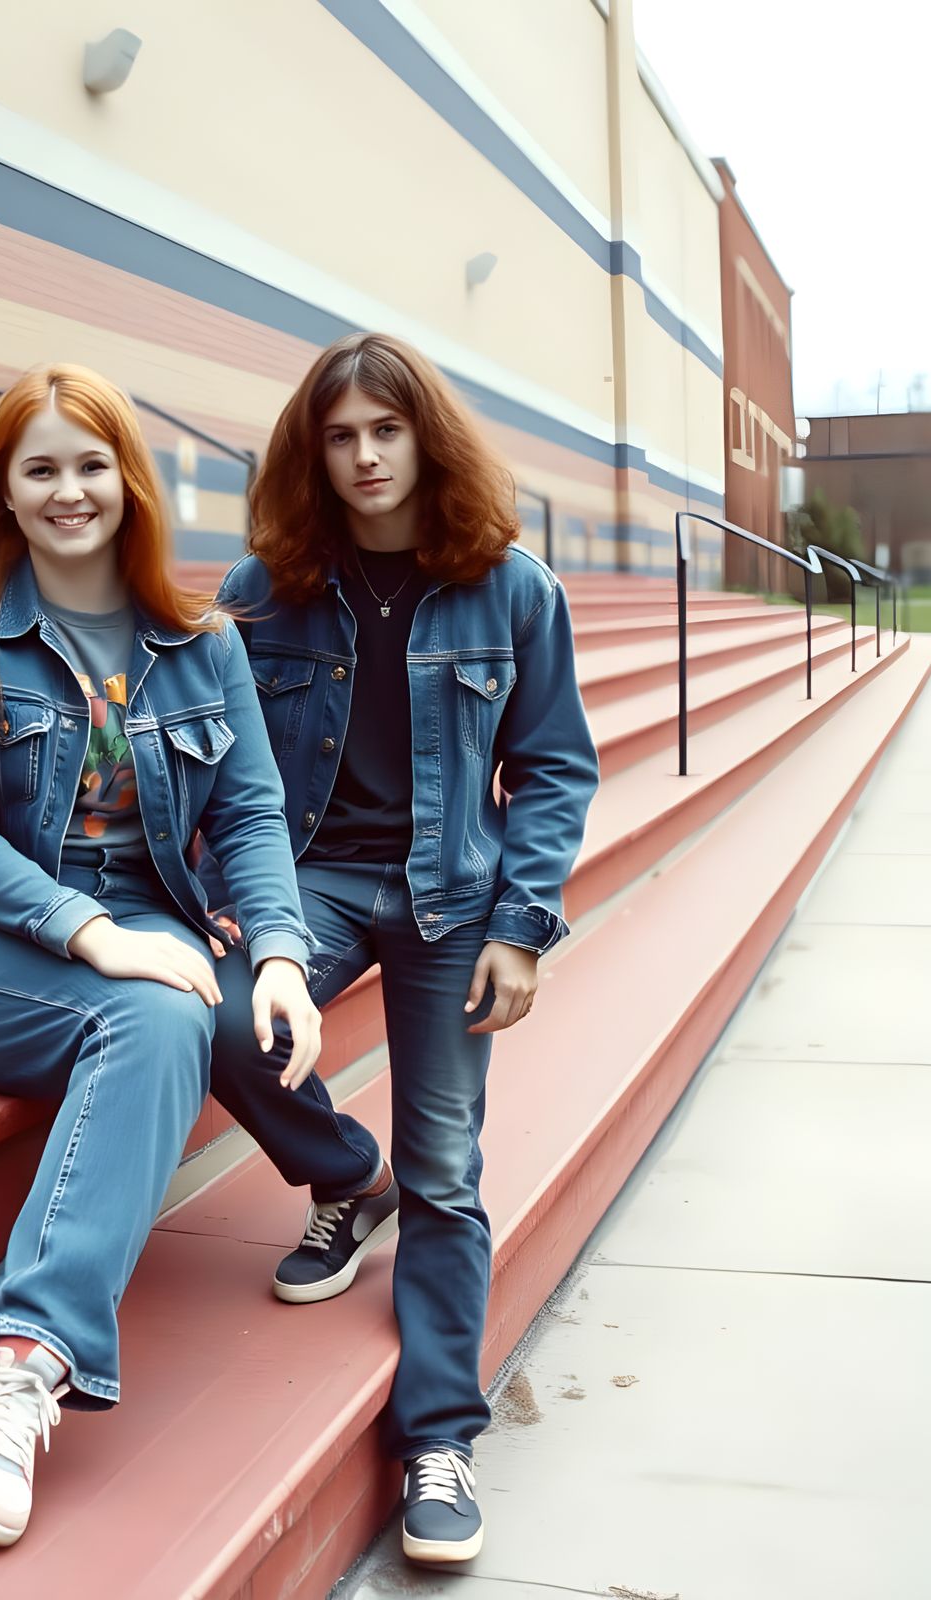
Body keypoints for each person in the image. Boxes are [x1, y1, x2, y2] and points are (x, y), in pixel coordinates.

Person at [0, 364, 321, 1549]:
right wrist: (95, 934)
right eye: (40, 469)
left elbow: (255, 814)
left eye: (91, 464)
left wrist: (275, 950)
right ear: (2, 494)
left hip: (141, 913)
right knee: (163, 1012)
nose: (70, 490)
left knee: (217, 1002)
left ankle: (350, 1171)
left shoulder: (202, 640)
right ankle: (14, 1360)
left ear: (130, 478)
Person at [204, 332, 599, 1564]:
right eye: (340, 435)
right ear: (309, 453)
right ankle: (340, 1172)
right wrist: (215, 891)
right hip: (305, 880)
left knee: (447, 1169)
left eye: (387, 429)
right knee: (214, 1014)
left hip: (449, 896)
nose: (366, 455)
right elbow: (207, 756)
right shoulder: (260, 590)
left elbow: (551, 769)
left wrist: (523, 928)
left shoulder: (511, 586)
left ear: (426, 437)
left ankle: (440, 1440)